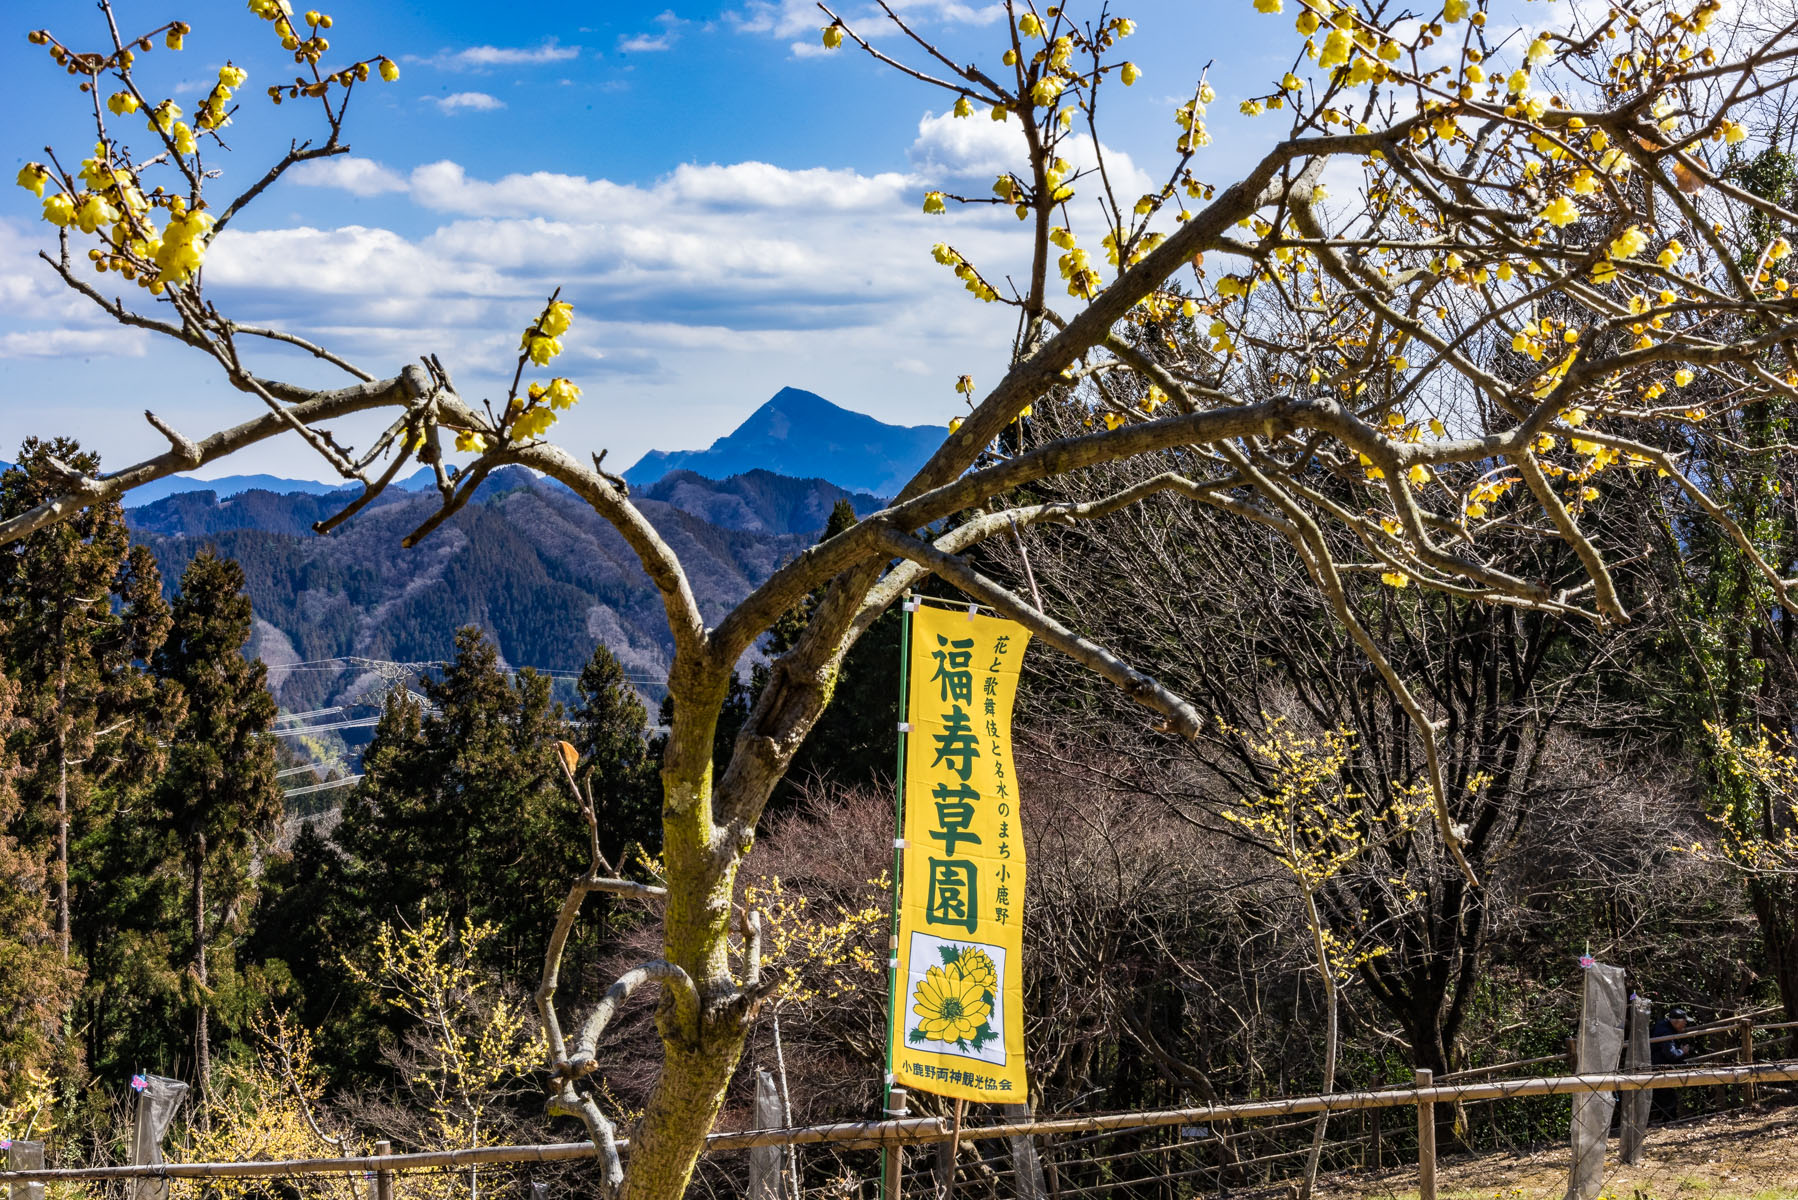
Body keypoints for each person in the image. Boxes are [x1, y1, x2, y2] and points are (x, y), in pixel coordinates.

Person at [1649, 1007, 1692, 1121]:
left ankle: (1665, 1120)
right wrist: (1683, 1051)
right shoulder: (1665, 1031)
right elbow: (1671, 1054)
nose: (1686, 1024)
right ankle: (1669, 1121)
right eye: (1684, 1021)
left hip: (1655, 1066)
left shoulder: (1663, 1025)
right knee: (1667, 1097)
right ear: (1676, 1022)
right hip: (1657, 1068)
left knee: (1663, 1097)